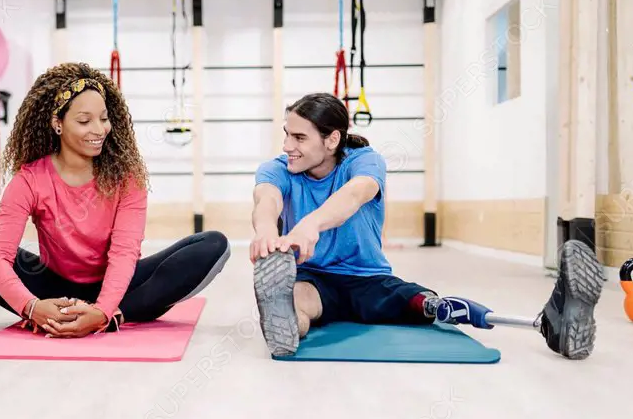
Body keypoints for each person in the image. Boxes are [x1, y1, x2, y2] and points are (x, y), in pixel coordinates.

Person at [249, 93, 603, 359]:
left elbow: (357, 194)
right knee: (296, 299)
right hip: (314, 277)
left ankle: (552, 323)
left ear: (331, 140)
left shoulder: (365, 162)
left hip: (368, 278)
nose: (287, 146)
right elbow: (267, 200)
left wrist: (310, 224)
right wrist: (266, 231)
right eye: (286, 135)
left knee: (432, 306)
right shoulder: (277, 168)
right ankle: (285, 326)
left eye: (299, 138)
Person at [0, 62, 229, 337]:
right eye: (84, 121)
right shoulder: (29, 180)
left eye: (104, 119)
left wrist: (103, 311)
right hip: (50, 287)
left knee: (213, 245)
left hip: (121, 288)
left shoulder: (126, 177)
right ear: (57, 124)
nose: (99, 129)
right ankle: (62, 312)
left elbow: (124, 253)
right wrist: (32, 307)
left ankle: (116, 315)